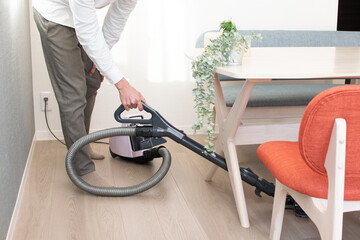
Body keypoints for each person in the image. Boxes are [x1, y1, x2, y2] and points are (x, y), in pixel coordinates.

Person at [32, 0, 146, 186]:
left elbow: (115, 20)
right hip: (54, 14)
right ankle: (82, 169)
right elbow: (88, 33)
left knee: (92, 79)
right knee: (73, 94)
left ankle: (83, 144)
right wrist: (122, 84)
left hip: (78, 14)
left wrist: (101, 62)